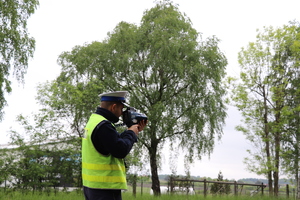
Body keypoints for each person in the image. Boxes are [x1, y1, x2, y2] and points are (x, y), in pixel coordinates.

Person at [82, 91, 147, 200]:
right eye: (121, 109)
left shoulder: (94, 121)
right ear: (113, 107)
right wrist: (131, 133)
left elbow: (110, 143)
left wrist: (131, 132)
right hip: (105, 188)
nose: (122, 113)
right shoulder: (104, 126)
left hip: (92, 187)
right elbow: (120, 150)